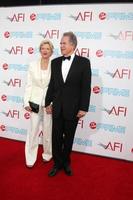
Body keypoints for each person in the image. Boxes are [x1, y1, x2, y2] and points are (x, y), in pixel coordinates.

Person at [45, 32, 91, 176]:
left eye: (64, 43)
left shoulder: (84, 62)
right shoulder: (55, 62)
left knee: (69, 138)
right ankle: (57, 163)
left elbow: (86, 87)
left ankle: (66, 162)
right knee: (56, 137)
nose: (61, 46)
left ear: (73, 45)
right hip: (57, 107)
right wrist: (47, 102)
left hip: (73, 108)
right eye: (61, 43)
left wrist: (84, 107)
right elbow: (52, 84)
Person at [23, 40, 54, 167]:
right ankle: (30, 157)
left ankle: (47, 154)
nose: (45, 50)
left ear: (51, 50)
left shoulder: (56, 65)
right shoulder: (32, 65)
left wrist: (52, 103)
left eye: (47, 48)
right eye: (42, 48)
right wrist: (26, 102)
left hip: (48, 103)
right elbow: (29, 85)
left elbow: (56, 86)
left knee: (48, 129)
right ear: (40, 50)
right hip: (34, 102)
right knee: (33, 130)